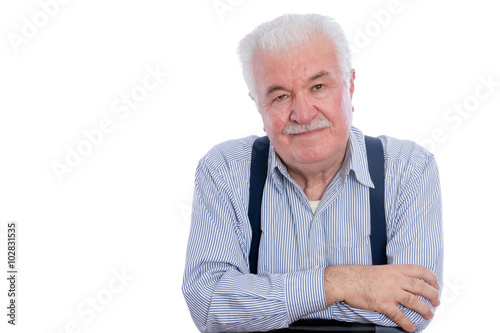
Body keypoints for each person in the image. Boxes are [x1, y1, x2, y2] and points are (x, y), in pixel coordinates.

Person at [182, 13, 443, 333]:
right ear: (258, 105)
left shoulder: (408, 169)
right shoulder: (224, 170)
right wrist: (342, 282)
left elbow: (414, 307)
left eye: (318, 86)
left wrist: (262, 307)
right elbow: (209, 305)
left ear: (350, 84)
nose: (303, 114)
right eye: (280, 96)